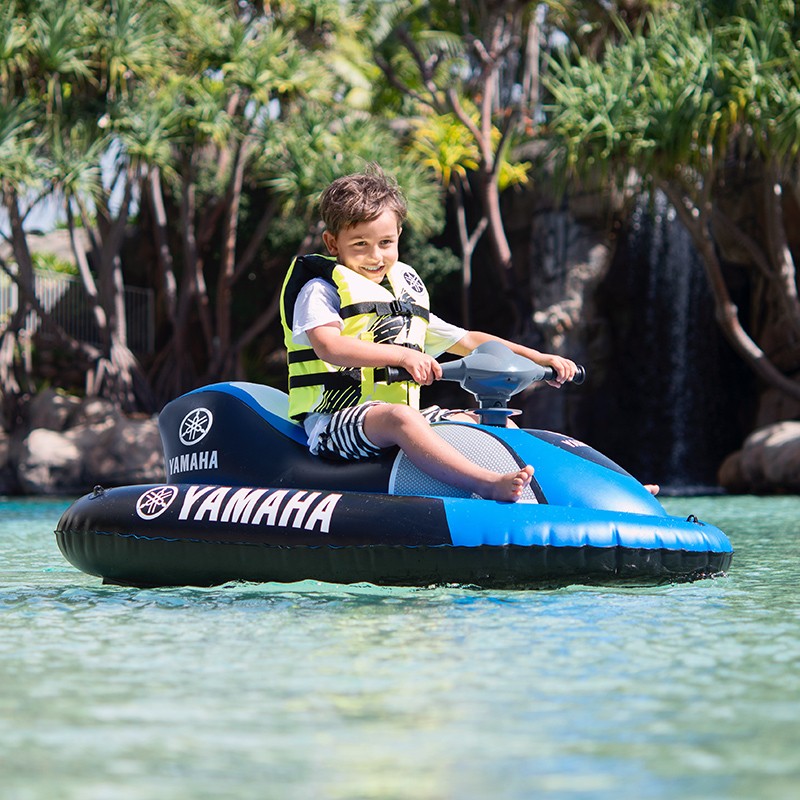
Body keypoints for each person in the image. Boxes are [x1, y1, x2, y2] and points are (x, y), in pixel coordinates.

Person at [279, 168, 579, 502]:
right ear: (333, 243)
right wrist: (403, 355)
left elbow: (468, 340)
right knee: (400, 417)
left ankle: (572, 491)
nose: (375, 256)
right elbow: (328, 345)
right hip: (333, 425)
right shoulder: (320, 290)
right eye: (360, 244)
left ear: (399, 236)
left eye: (385, 243)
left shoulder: (401, 298)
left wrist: (537, 357)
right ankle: (485, 483)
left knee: (486, 418)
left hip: (398, 420)